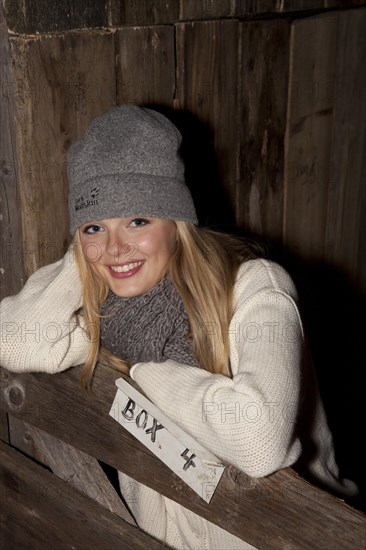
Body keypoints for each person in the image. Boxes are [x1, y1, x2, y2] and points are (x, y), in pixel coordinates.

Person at [0, 105, 358, 549]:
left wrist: (143, 369)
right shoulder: (111, 314)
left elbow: (258, 438)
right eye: (95, 226)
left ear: (176, 221)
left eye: (138, 220)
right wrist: (86, 252)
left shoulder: (256, 288)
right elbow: (12, 338)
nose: (116, 247)